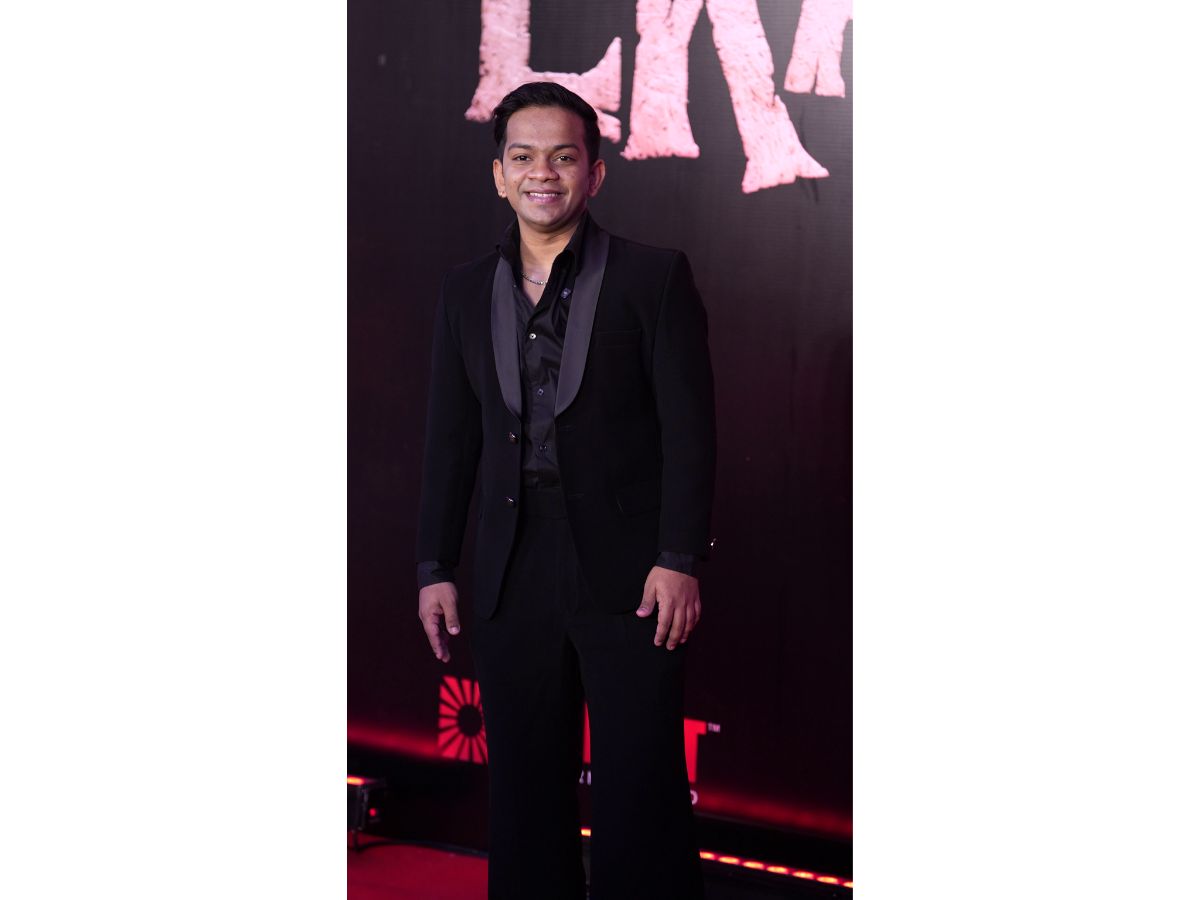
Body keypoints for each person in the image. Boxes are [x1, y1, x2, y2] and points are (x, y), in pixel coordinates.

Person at [416, 81, 716, 900]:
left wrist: (679, 557)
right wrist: (435, 565)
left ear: (595, 172)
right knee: (522, 793)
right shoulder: (463, 291)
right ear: (499, 175)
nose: (541, 174)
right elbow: (451, 440)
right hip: (511, 568)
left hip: (632, 572)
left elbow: (691, 432)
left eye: (562, 157)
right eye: (523, 157)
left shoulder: (653, 278)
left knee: (641, 791)